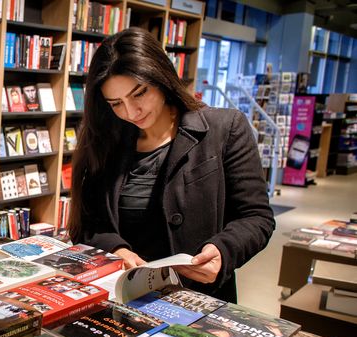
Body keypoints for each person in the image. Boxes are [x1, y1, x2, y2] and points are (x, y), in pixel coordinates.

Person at [68, 28, 274, 302]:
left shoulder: (224, 129)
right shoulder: (107, 140)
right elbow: (88, 225)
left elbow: (257, 217)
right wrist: (116, 250)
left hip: (198, 298)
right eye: (116, 103)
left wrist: (223, 250)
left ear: (161, 78)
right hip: (125, 297)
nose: (131, 112)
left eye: (139, 93)